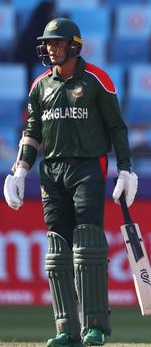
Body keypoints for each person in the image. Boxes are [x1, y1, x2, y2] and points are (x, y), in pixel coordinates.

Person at [2, 18, 138, 347]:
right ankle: (66, 330)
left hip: (89, 165)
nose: (52, 49)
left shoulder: (96, 79)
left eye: (58, 43)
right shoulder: (39, 86)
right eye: (48, 44)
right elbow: (32, 134)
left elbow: (117, 127)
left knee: (88, 244)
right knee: (57, 250)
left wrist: (125, 169)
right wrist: (19, 170)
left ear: (74, 46)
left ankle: (95, 326)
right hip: (51, 170)